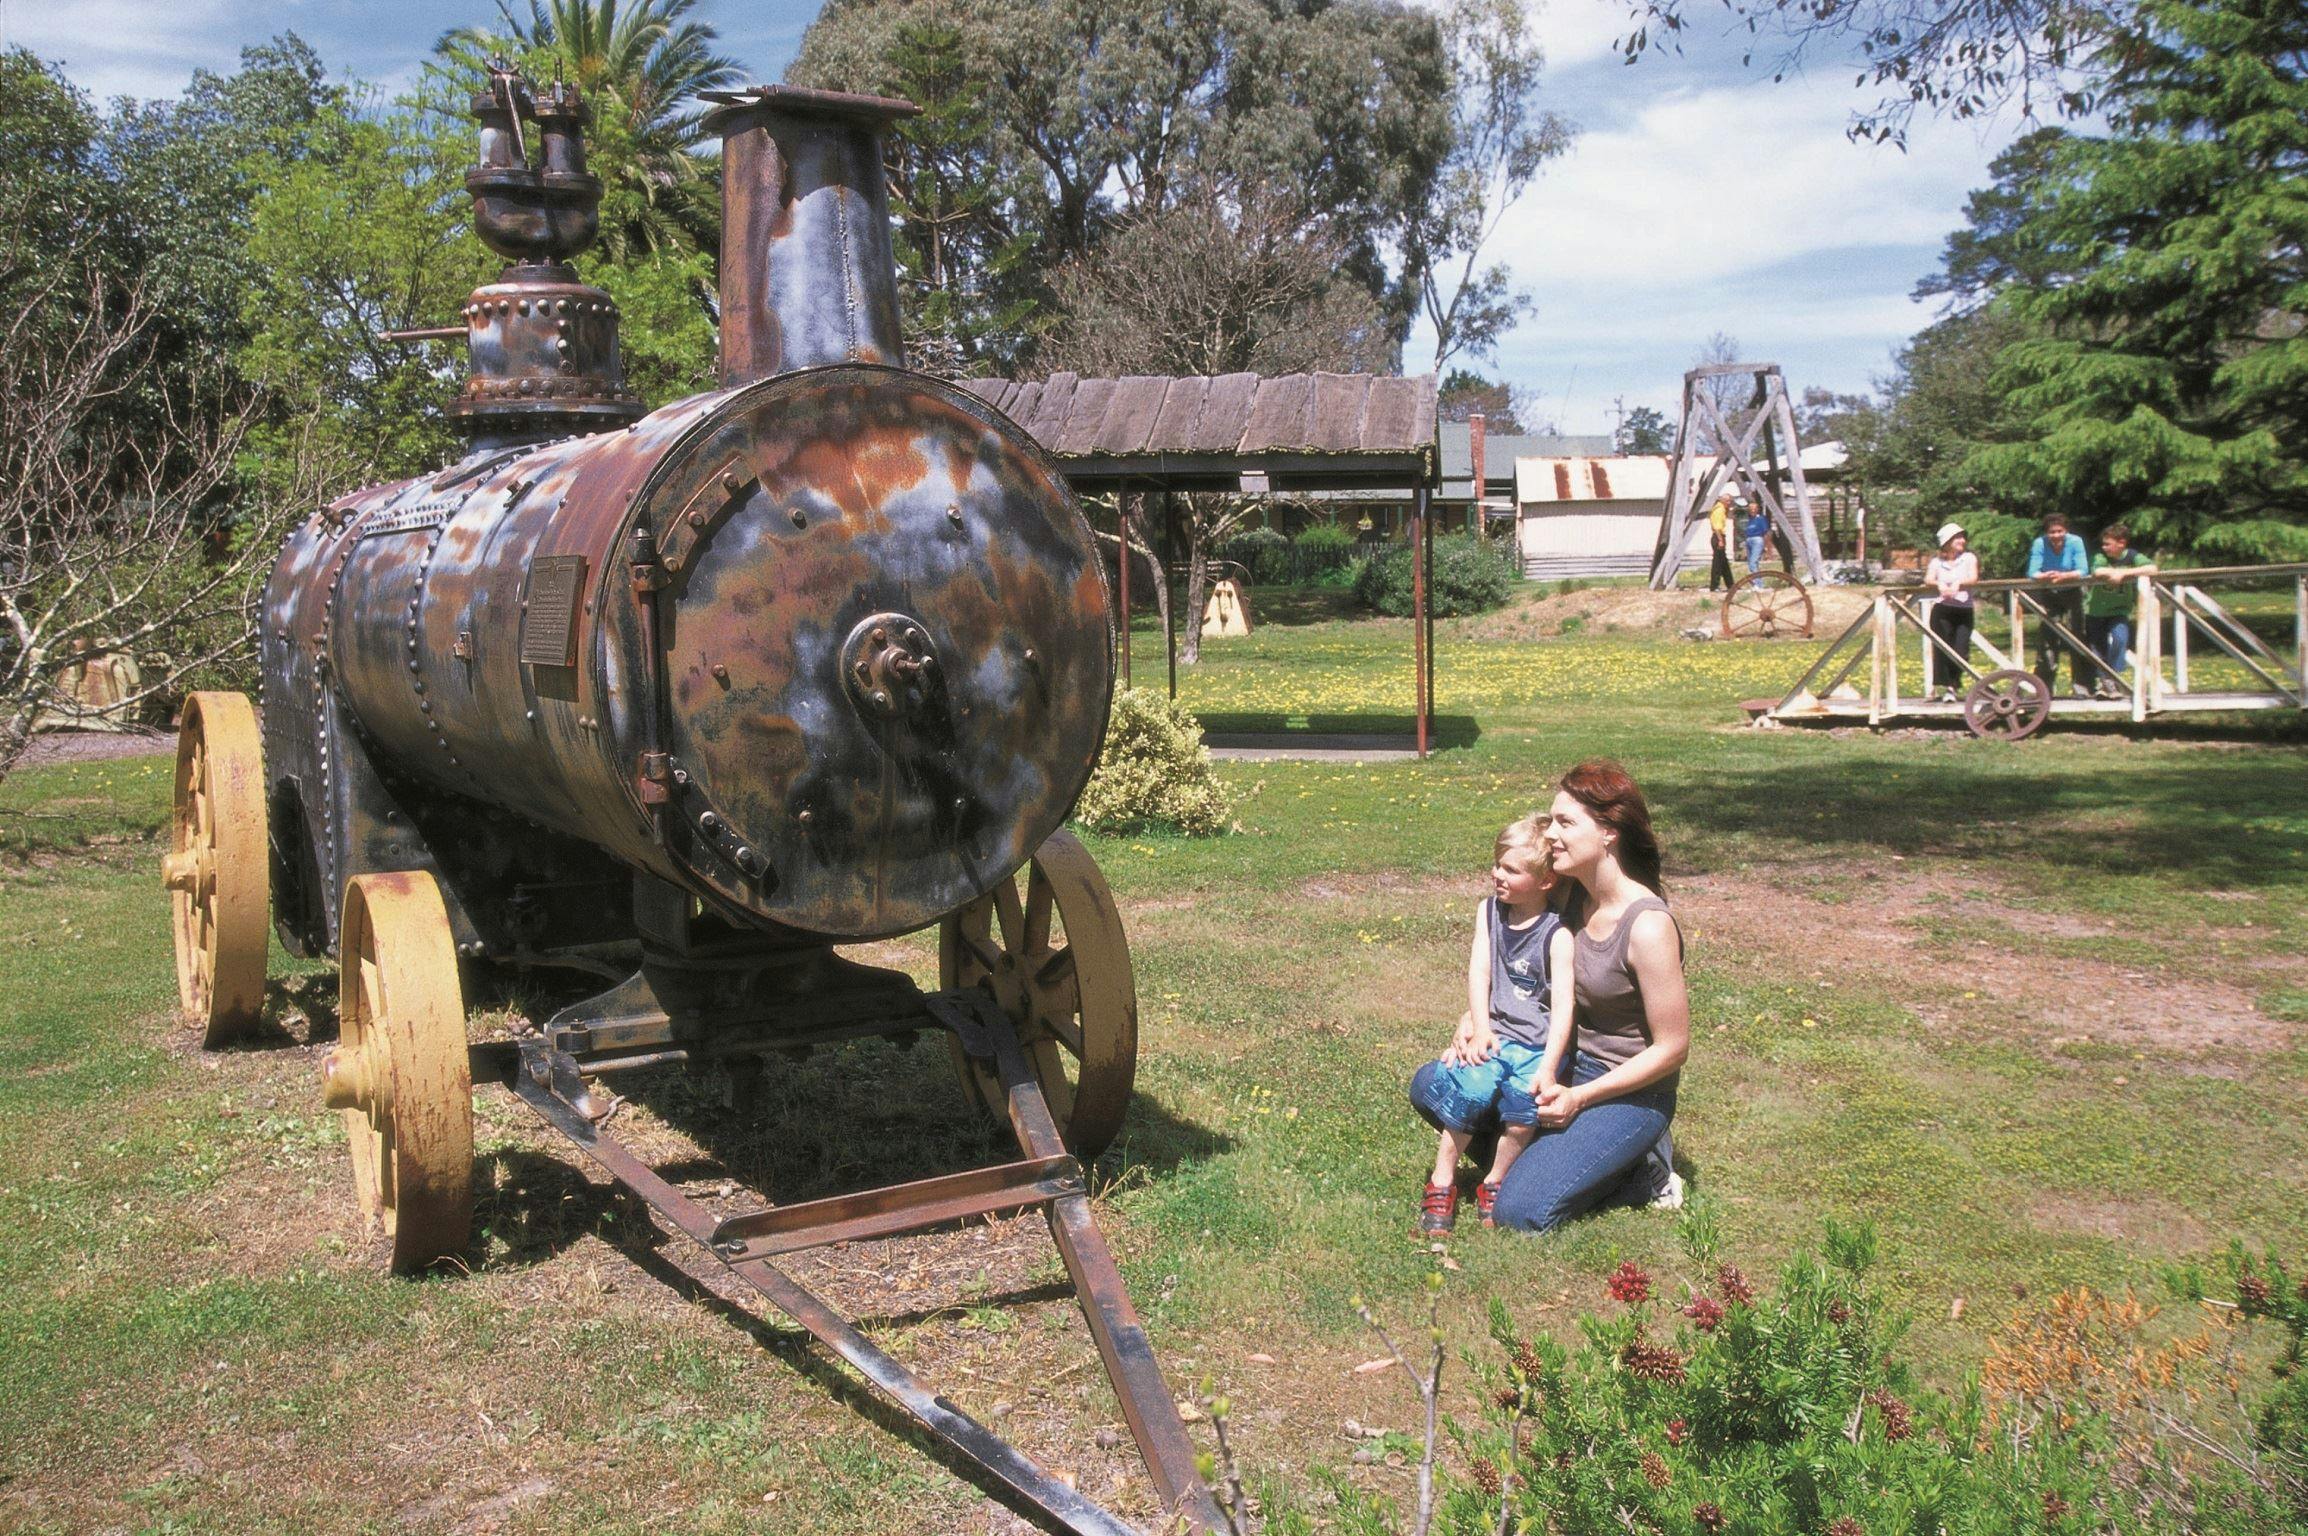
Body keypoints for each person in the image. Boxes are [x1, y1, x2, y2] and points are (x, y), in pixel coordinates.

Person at [1491, 761, 1690, 1234]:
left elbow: (1673, 1048)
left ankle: (1644, 1171)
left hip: (1629, 1090)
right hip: (1559, 1065)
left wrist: (1579, 1098)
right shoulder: (1568, 897)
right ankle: (1582, 1156)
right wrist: (1471, 1022)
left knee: (1518, 1212)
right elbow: (1520, 976)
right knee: (1435, 1087)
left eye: (1565, 822)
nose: (1550, 835)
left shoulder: (1647, 925)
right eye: (1551, 820)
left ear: (1608, 833)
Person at [1406, 815, 1569, 1232]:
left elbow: (1565, 1007)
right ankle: (1443, 1178)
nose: (1497, 874)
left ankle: (1494, 1180)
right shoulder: (1490, 912)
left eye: (1511, 869)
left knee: (1522, 1115)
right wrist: (1480, 1027)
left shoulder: (1558, 934)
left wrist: (1549, 1067)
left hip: (1536, 1047)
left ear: (1546, 881)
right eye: (1497, 864)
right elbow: (1480, 972)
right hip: (1495, 1034)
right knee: (1469, 1093)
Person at [2026, 512, 2091, 696]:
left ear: (2066, 531)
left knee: (2077, 637)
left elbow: (2083, 569)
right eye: (2052, 532)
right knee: (2047, 639)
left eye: (2059, 531)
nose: (2056, 536)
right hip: (2050, 592)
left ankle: (2082, 687)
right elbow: (2033, 571)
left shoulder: (2075, 542)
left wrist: (2064, 576)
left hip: (2072, 591)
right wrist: (2044, 576)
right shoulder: (2039, 543)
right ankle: (2044, 690)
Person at [2086, 523, 2155, 697]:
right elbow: (2098, 570)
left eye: (2108, 544)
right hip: (2095, 610)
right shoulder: (2101, 556)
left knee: (2120, 639)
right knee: (2097, 647)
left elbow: (2152, 568)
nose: (2104, 547)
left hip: (2119, 610)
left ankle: (2112, 678)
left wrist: (2123, 574)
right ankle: (2104, 684)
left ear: (2121, 543)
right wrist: (2113, 573)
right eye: (2103, 544)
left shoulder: (2132, 556)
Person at [1925, 522, 1979, 701]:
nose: (1962, 540)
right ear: (1947, 541)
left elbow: (1973, 578)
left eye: (1963, 537)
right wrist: (1939, 584)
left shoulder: (1969, 558)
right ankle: (1949, 688)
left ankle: (1954, 683)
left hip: (1963, 609)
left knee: (1961, 650)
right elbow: (1928, 579)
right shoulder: (1936, 562)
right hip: (1943, 610)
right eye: (1958, 537)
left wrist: (1958, 584)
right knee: (1942, 649)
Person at [1706, 495, 1735, 592]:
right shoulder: (1719, 510)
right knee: (1718, 563)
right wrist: (1720, 540)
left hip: (1720, 537)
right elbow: (1717, 527)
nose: (1729, 503)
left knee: (1724, 562)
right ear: (1723, 501)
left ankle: (1730, 584)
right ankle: (1714, 586)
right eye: (1728, 501)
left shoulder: (1722, 509)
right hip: (1718, 537)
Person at [1741, 500, 1770, 575]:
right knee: (1750, 562)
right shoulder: (1749, 520)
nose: (1752, 510)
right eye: (1750, 509)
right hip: (1749, 540)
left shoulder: (1760, 519)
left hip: (1757, 539)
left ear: (1757, 510)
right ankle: (1755, 583)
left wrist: (1766, 546)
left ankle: (1758, 584)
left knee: (1753, 562)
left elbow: (1766, 532)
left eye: (1754, 508)